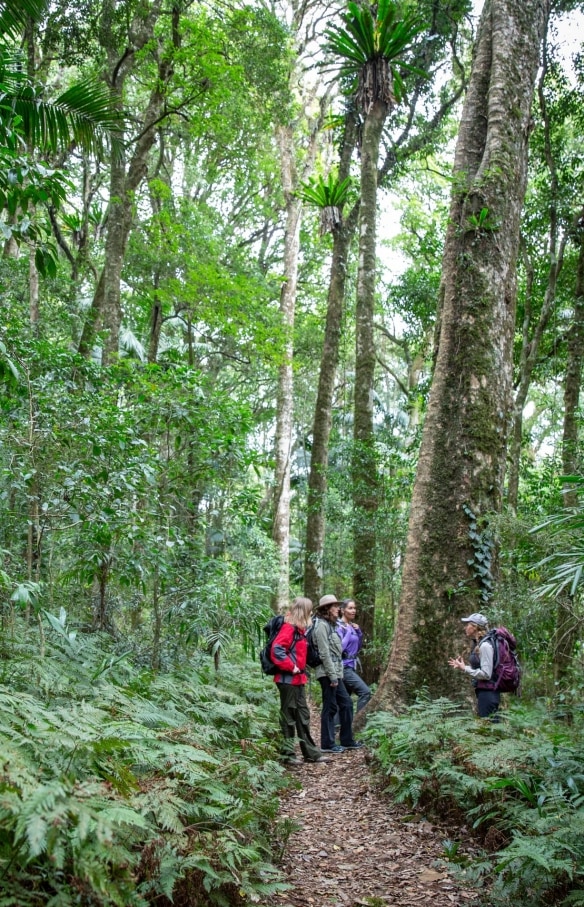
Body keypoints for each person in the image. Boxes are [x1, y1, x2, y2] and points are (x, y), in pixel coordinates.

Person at [270, 597, 330, 764]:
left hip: (298, 680)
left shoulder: (299, 630)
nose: (311, 613)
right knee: (288, 716)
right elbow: (277, 650)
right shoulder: (288, 628)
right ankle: (287, 754)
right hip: (287, 679)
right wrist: (292, 666)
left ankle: (311, 753)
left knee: (303, 715)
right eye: (309, 610)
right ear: (303, 611)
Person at [313, 594, 364, 753]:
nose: (338, 609)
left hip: (336, 672)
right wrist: (333, 676)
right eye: (335, 606)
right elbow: (324, 653)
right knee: (330, 706)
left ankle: (347, 740)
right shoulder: (321, 626)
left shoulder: (332, 625)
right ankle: (327, 744)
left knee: (347, 703)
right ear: (327, 609)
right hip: (327, 673)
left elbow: (338, 650)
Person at [448, 612, 500, 720]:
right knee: (489, 729)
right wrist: (464, 667)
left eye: (467, 625)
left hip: (488, 694)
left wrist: (465, 668)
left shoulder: (485, 646)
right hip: (485, 693)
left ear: (475, 627)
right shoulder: (479, 644)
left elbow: (486, 674)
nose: (465, 627)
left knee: (489, 731)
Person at [337, 598, 371, 714]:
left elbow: (357, 647)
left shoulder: (352, 626)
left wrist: (359, 633)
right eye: (350, 608)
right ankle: (358, 722)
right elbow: (339, 648)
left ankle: (337, 728)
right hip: (344, 667)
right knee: (365, 692)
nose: (353, 611)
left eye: (354, 608)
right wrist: (347, 633)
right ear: (342, 610)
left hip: (351, 666)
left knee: (345, 699)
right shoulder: (339, 626)